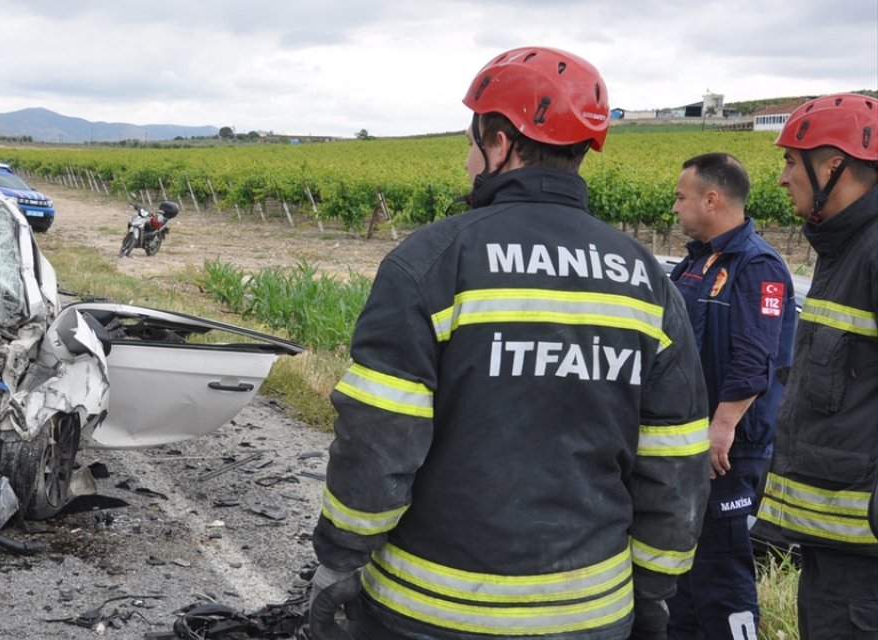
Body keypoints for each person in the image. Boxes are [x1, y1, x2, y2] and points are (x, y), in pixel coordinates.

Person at [307, 46, 710, 640]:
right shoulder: (646, 278)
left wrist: (340, 557)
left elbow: (381, 437)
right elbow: (674, 460)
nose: (469, 161)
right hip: (592, 614)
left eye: (473, 143)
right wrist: (652, 590)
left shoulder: (430, 263)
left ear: (500, 142)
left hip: (429, 610)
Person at [754, 93, 878, 639]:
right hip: (838, 551)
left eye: (790, 160)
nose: (783, 178)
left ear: (834, 166)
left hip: (866, 565)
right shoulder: (843, 249)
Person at [664, 153, 796, 640]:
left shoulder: (756, 265)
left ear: (711, 199)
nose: (675, 208)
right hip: (691, 444)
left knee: (721, 571)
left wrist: (722, 428)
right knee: (682, 575)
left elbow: (754, 358)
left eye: (681, 197)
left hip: (728, 451)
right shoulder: (694, 264)